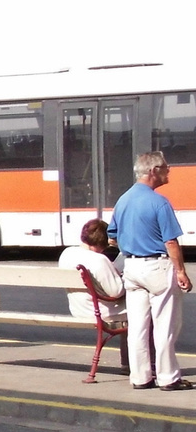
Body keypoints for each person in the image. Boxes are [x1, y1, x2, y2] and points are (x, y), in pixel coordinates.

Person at [107, 151, 193, 391]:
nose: (169, 171)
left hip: (132, 267)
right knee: (165, 326)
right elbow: (171, 242)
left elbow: (112, 236)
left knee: (138, 327)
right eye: (165, 167)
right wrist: (181, 272)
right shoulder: (159, 202)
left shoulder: (123, 199)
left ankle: (140, 376)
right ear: (153, 171)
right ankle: (168, 377)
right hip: (157, 266)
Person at [59, 219, 126, 324]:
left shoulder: (66, 253)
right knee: (142, 305)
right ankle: (133, 340)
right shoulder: (99, 259)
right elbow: (117, 292)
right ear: (105, 240)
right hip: (99, 312)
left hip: (78, 310)